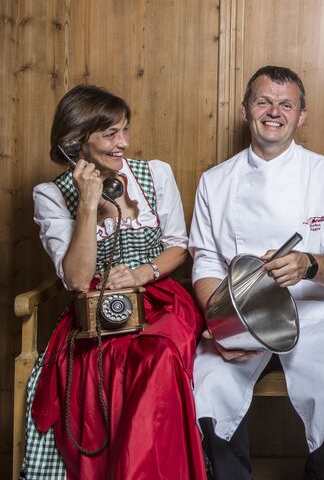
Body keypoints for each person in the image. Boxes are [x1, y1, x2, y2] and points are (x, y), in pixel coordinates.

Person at [189, 65, 324, 480]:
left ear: (301, 115)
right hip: (241, 321)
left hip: (315, 318)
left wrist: (309, 264)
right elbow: (205, 263)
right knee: (205, 392)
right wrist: (221, 325)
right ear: (245, 110)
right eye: (263, 101)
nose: (274, 111)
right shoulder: (215, 181)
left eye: (285, 104)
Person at [22, 85, 205, 479]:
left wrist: (140, 274)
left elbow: (178, 247)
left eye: (125, 130)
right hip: (94, 308)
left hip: (160, 298)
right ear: (76, 141)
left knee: (158, 356)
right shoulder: (52, 194)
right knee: (99, 368)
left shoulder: (155, 173)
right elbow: (76, 278)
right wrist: (88, 204)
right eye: (110, 134)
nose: (122, 143)